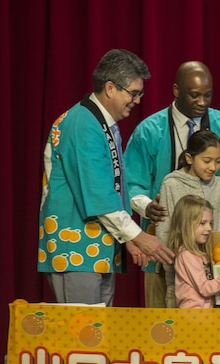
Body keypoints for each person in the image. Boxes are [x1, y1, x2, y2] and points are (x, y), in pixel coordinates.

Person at [124, 61, 220, 308]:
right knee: (163, 321)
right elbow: (131, 181)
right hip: (164, 249)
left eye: (208, 95)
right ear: (176, 90)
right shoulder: (149, 131)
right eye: (194, 95)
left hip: (214, 260)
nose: (202, 102)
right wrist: (147, 206)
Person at [38, 49, 174, 306]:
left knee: (97, 336)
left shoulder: (102, 123)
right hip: (75, 249)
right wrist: (138, 236)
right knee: (81, 335)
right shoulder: (83, 124)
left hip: (98, 247)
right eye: (133, 93)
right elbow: (97, 192)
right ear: (110, 88)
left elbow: (113, 188)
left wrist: (127, 239)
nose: (137, 100)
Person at [156, 129, 220, 307]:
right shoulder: (171, 184)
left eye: (218, 161)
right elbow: (165, 232)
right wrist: (183, 264)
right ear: (190, 158)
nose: (213, 167)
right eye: (207, 161)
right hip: (185, 284)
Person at [169, 195, 220, 308]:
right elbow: (205, 288)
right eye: (203, 223)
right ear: (185, 225)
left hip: (204, 314)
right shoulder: (187, 255)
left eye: (210, 223)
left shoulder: (198, 252)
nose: (209, 228)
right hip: (194, 316)